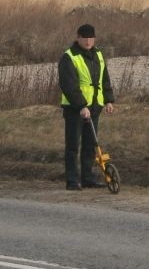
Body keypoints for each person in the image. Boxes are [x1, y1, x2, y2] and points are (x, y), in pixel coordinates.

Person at [58, 23, 115, 191]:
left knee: (90, 145)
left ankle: (88, 178)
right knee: (73, 145)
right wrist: (81, 105)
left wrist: (108, 100)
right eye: (85, 38)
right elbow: (68, 85)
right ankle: (72, 180)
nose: (88, 41)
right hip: (75, 110)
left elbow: (104, 79)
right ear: (78, 38)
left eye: (91, 38)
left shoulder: (98, 54)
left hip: (95, 107)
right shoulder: (69, 57)